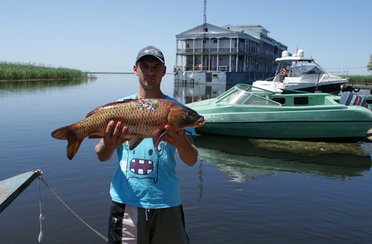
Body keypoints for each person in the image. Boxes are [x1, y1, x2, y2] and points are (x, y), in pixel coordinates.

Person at [95, 45, 198, 244]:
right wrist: (108, 145)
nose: (150, 72)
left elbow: (191, 159)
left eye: (155, 67)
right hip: (126, 201)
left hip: (167, 201)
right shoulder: (120, 107)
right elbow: (101, 155)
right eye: (145, 66)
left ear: (164, 71)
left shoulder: (179, 112)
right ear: (135, 69)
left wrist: (181, 142)